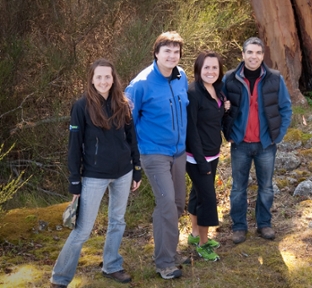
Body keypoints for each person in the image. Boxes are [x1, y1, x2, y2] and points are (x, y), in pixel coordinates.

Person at [50, 59, 141, 288]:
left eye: (107, 77)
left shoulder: (123, 103)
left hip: (123, 172)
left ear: (114, 78)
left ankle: (112, 265)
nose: (103, 81)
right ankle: (60, 279)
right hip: (93, 175)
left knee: (117, 222)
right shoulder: (81, 106)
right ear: (91, 79)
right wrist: (74, 180)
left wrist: (136, 169)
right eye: (98, 77)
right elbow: (74, 145)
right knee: (82, 230)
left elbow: (132, 139)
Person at [125, 31, 188, 279]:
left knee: (176, 204)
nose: (172, 56)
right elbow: (126, 123)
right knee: (166, 205)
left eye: (176, 51)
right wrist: (133, 160)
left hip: (179, 152)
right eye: (167, 51)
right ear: (156, 53)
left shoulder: (181, 76)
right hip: (153, 154)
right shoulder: (140, 84)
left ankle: (168, 247)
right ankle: (165, 263)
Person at [223, 37, 292, 244]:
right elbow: (221, 107)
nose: (254, 57)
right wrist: (229, 134)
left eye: (258, 53)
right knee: (238, 188)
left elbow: (286, 109)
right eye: (250, 52)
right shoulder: (229, 78)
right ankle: (239, 226)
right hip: (240, 144)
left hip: (265, 145)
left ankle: (264, 224)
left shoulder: (275, 78)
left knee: (266, 187)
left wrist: (276, 137)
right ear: (243, 55)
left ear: (263, 56)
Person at [186, 51, 231, 261]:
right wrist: (201, 160)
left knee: (198, 193)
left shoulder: (216, 89)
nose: (211, 71)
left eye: (214, 67)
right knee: (207, 199)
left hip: (213, 153)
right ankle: (204, 245)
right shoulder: (193, 92)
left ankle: (195, 234)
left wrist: (225, 107)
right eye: (206, 67)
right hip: (197, 157)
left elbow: (215, 116)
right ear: (198, 69)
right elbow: (191, 130)